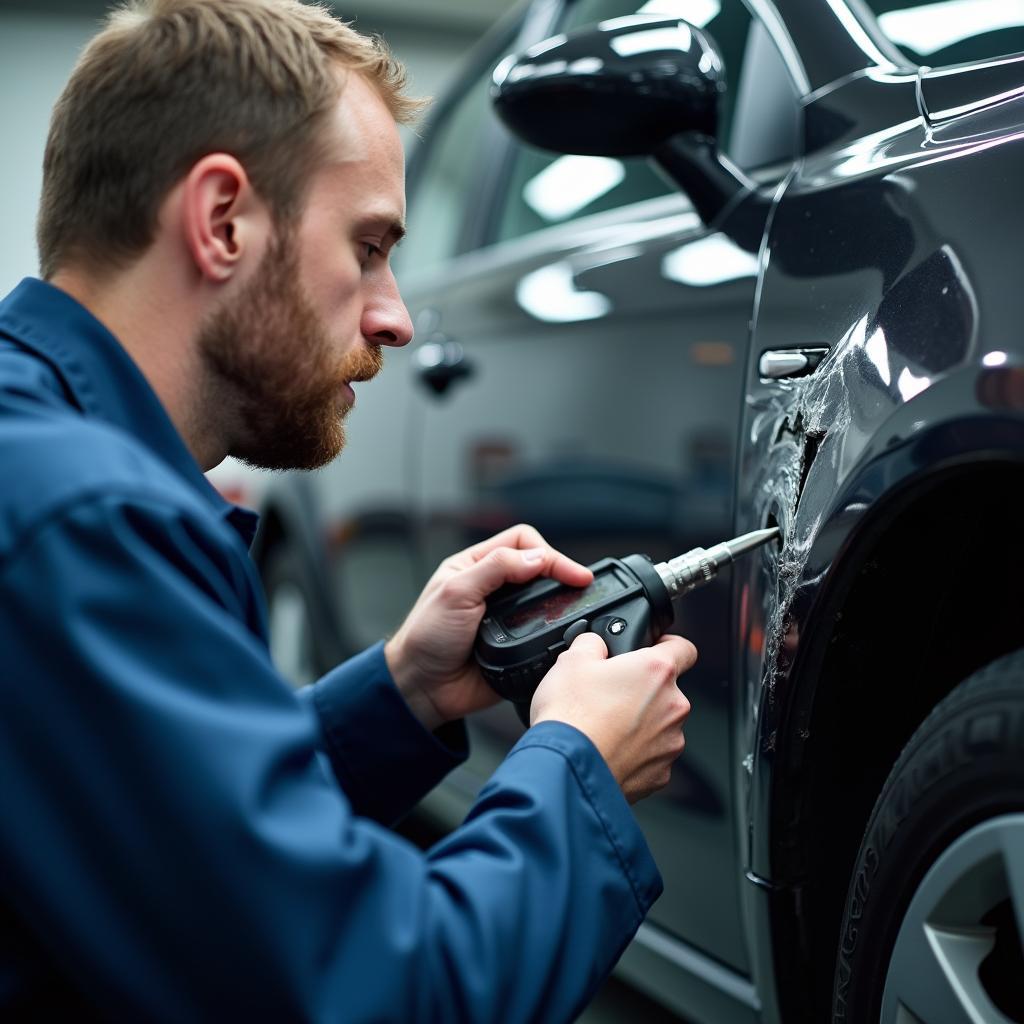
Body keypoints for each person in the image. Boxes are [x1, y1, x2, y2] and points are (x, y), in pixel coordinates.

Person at [0, 1, 696, 1019]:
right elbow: (373, 989)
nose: (399, 318)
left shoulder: (41, 462)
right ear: (223, 219)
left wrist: (401, 694)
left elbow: (168, 836)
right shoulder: (83, 522)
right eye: (369, 247)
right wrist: (576, 771)